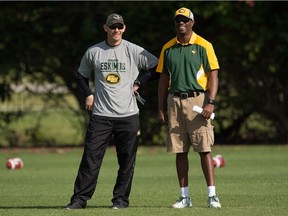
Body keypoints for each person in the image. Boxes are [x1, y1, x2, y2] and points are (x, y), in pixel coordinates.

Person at [65, 13, 158, 210]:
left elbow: (157, 67)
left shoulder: (134, 50)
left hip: (128, 116)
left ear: (124, 28)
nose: (116, 30)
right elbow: (81, 76)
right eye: (112, 27)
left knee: (126, 162)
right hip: (101, 116)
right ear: (105, 28)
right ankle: (79, 200)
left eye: (119, 27)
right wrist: (88, 95)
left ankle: (120, 200)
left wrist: (139, 82)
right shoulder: (94, 52)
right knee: (90, 159)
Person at [157, 7, 221, 209]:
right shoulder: (168, 48)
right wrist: (160, 107)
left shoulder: (204, 45)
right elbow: (163, 79)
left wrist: (210, 102)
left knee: (204, 149)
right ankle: (184, 197)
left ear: (192, 22)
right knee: (180, 151)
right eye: (178, 20)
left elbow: (213, 76)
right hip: (174, 101)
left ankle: (212, 196)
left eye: (185, 20)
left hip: (198, 100)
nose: (181, 23)